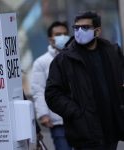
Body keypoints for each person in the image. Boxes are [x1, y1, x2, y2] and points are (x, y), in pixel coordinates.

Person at [45, 11, 124, 150]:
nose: (79, 31)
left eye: (85, 27)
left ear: (97, 31)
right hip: (86, 134)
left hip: (112, 130)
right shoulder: (64, 59)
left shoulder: (112, 52)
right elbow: (52, 94)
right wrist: (77, 113)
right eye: (76, 28)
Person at [31, 21, 72, 150]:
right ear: (50, 39)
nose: (63, 37)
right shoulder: (41, 62)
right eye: (58, 34)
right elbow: (39, 90)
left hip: (80, 118)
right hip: (57, 120)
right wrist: (43, 114)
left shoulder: (76, 57)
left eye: (65, 34)